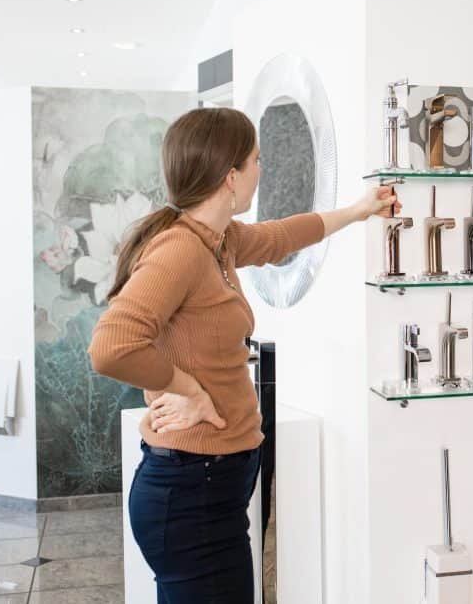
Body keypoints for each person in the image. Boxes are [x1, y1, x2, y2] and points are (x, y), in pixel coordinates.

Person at [88, 107, 400, 603]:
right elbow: (110, 349)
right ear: (231, 176)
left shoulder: (218, 240)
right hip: (193, 492)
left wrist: (360, 210)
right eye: (257, 158)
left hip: (208, 488)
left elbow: (282, 236)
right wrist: (187, 388)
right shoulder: (181, 250)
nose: (263, 168)